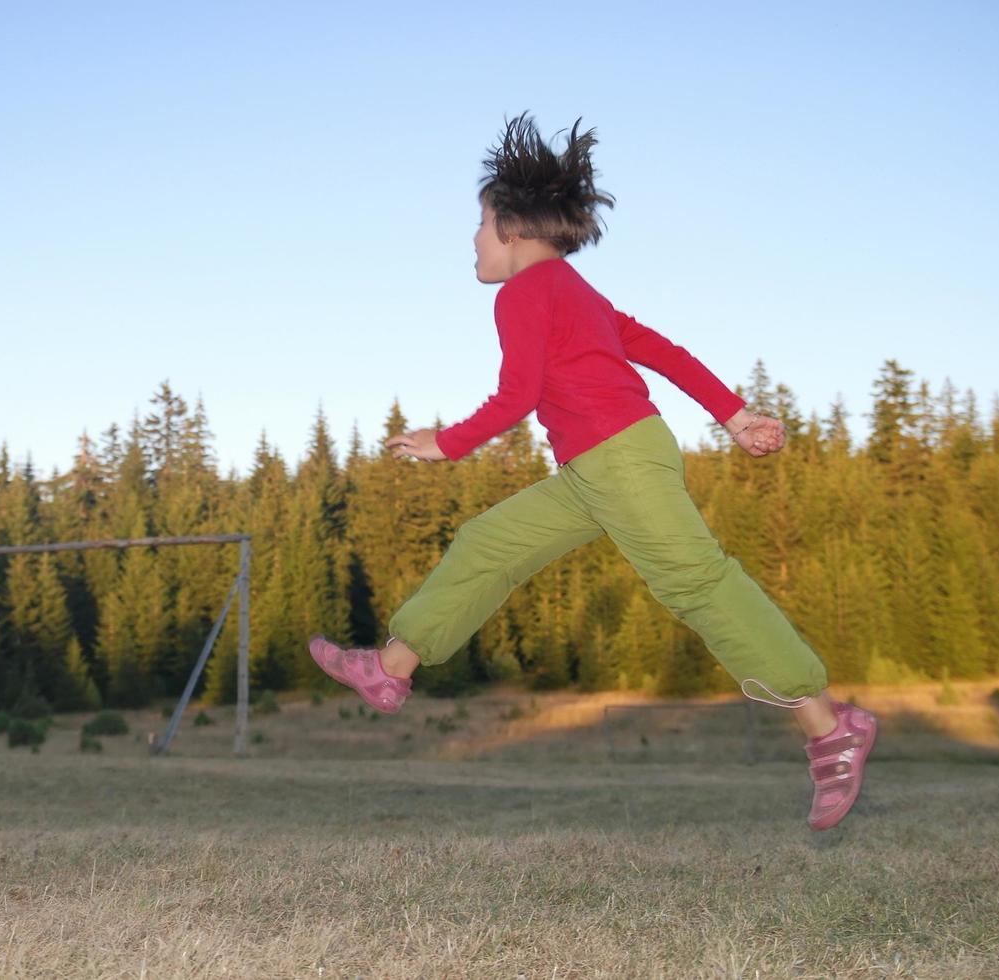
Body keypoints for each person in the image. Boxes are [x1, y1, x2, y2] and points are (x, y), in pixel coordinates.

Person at [308, 113, 876, 831]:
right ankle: (389, 668)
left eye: (481, 224)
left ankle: (829, 729)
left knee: (698, 582)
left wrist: (445, 444)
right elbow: (661, 351)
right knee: (491, 542)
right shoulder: (578, 293)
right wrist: (733, 416)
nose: (474, 240)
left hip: (620, 460)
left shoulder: (523, 293)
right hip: (599, 467)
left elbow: (516, 396)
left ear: (513, 229)